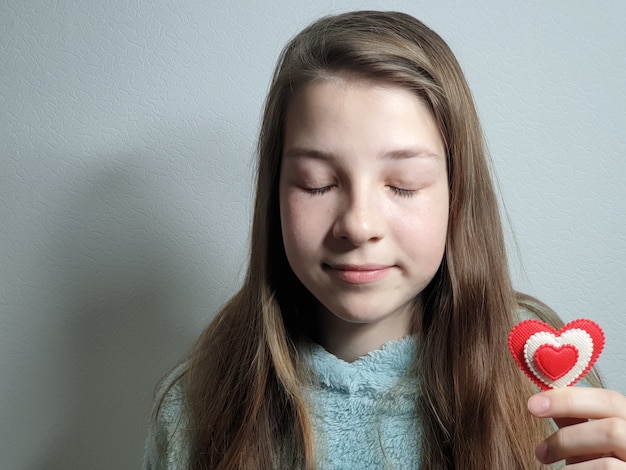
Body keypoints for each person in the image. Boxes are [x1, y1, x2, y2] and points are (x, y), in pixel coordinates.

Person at [143, 10, 626, 469]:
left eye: (404, 185)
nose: (357, 224)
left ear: (457, 196)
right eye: (317, 184)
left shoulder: (540, 381)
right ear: (273, 193)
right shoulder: (198, 409)